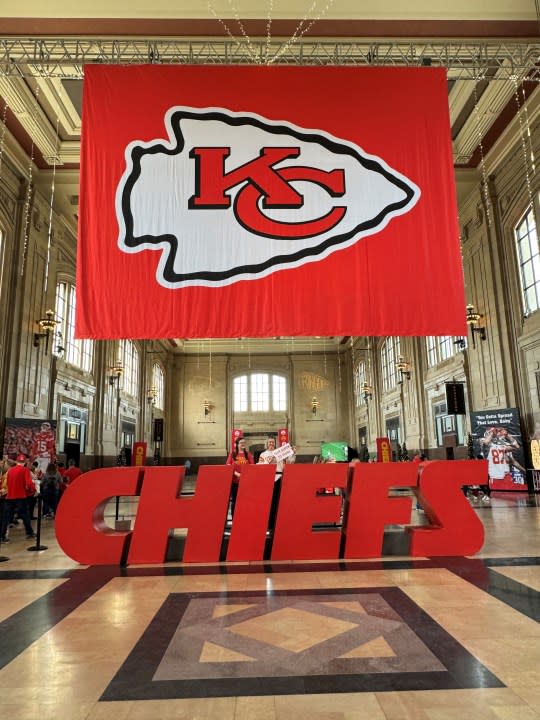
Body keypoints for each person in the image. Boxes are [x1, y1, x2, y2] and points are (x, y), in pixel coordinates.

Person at [258, 437, 296, 531]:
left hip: (278, 478)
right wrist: (270, 460)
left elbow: (289, 462)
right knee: (268, 502)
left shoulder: (280, 453)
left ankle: (275, 524)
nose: (271, 443)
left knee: (277, 502)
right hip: (267, 479)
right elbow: (260, 465)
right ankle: (267, 524)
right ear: (266, 443)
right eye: (269, 442)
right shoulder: (263, 454)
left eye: (273, 442)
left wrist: (293, 453)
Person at [0, 454, 35, 542]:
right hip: (21, 497)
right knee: (25, 516)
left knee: (6, 518)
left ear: (16, 461)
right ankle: (30, 533)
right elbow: (29, 484)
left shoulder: (10, 471)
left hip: (9, 497)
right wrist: (32, 491)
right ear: (25, 462)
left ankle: (2, 536)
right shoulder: (25, 470)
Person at [225, 437, 254, 519]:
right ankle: (234, 518)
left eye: (244, 442)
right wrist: (236, 473)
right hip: (235, 482)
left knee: (246, 501)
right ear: (237, 444)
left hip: (246, 482)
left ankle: (244, 517)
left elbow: (252, 466)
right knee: (234, 501)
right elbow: (228, 466)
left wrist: (245, 475)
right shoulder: (233, 454)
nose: (243, 444)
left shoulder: (248, 454)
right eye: (241, 443)